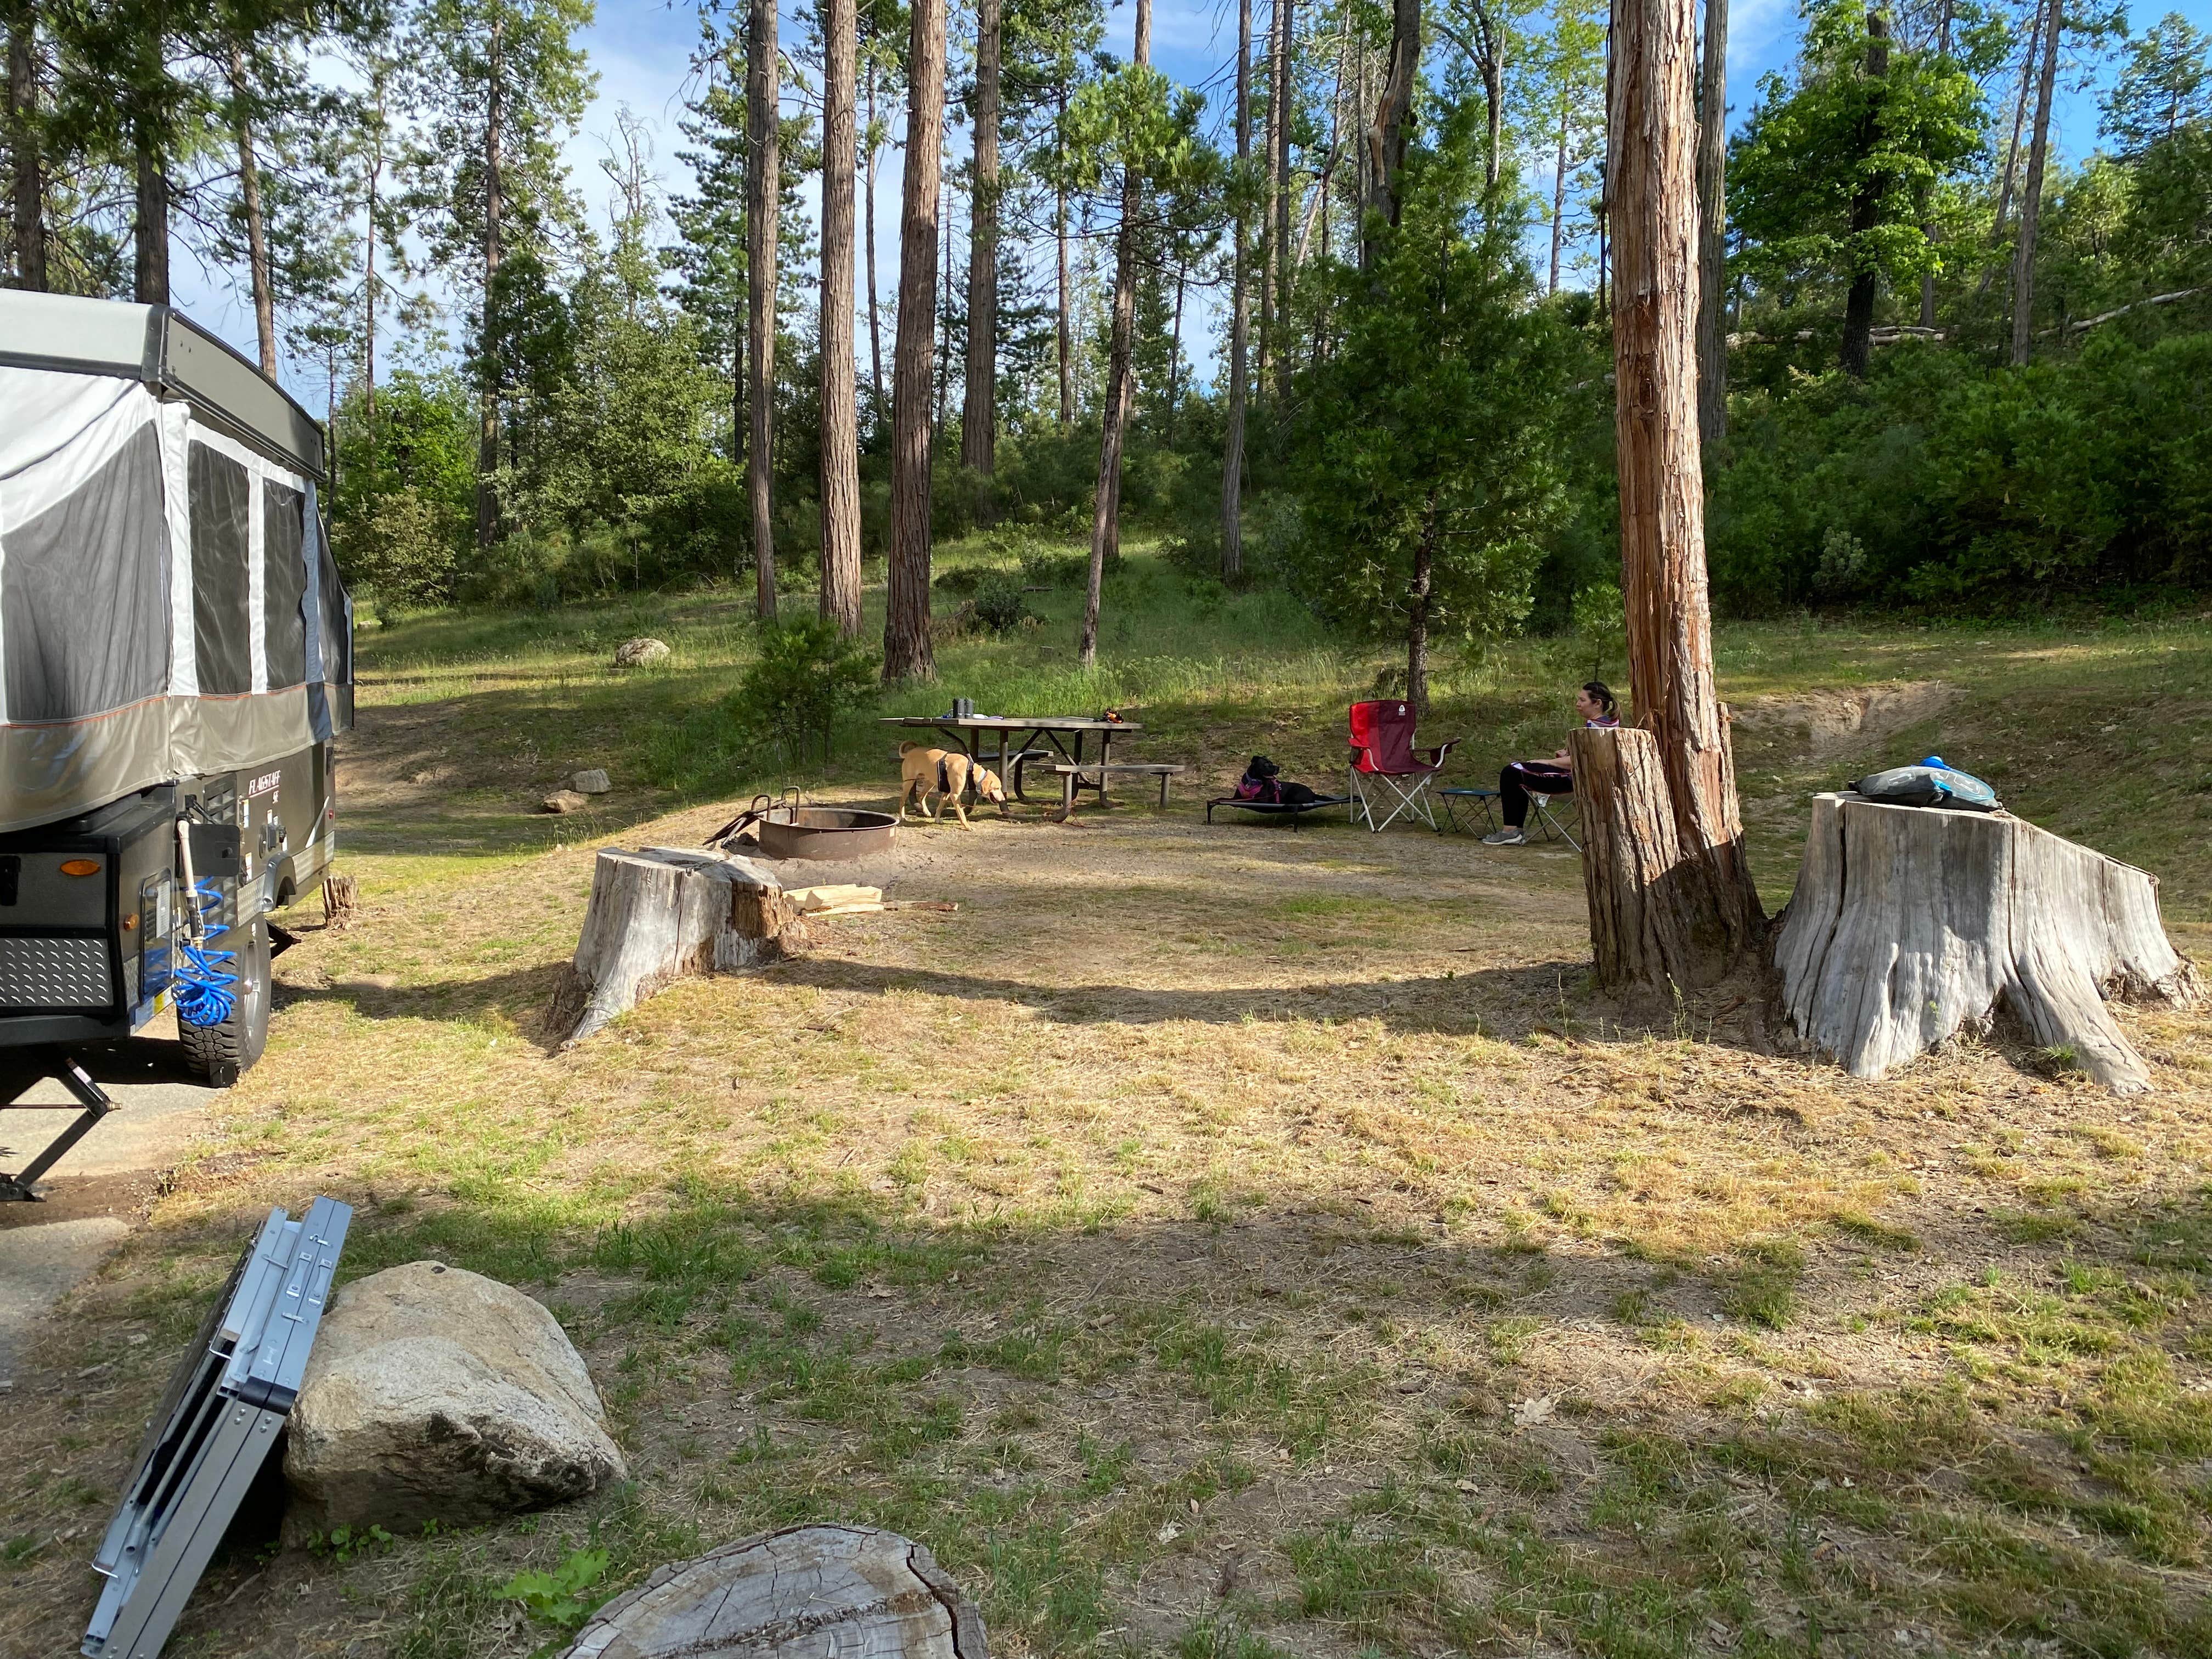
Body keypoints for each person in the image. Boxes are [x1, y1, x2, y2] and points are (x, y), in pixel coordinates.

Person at [1482, 682, 1620, 846]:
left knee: (1512, 772)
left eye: (1582, 700)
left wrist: (1547, 761)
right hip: (1590, 780)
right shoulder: (1611, 724)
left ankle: (1510, 832)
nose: (1578, 704)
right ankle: (1512, 832)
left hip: (1575, 783)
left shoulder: (1595, 729)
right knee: (1517, 771)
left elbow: (1578, 762)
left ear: (1597, 704)